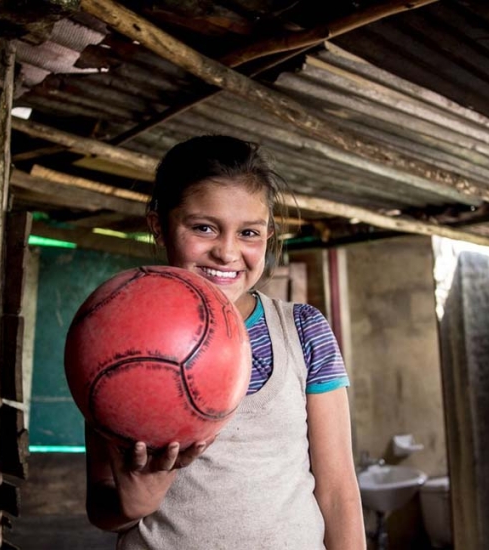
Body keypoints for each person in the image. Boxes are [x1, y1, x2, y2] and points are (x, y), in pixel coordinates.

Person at [84, 134, 366, 549]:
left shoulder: (303, 330)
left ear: (268, 236)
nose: (228, 252)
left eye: (249, 233)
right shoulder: (120, 336)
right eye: (204, 228)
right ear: (159, 226)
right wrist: (132, 504)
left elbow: (339, 490)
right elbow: (102, 509)